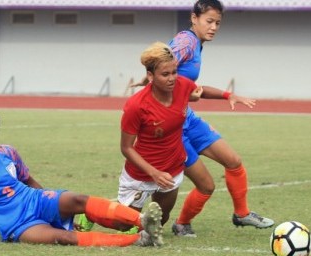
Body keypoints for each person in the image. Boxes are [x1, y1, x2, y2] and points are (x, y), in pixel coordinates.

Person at [0, 108, 164, 247]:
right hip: (17, 225)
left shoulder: (7, 152)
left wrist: (46, 199)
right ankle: (140, 239)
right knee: (63, 238)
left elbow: (28, 180)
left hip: (36, 200)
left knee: (78, 199)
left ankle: (142, 221)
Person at [79, 41, 215, 233]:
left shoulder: (182, 85)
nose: (172, 79)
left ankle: (140, 226)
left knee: (159, 221)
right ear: (150, 76)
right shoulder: (136, 105)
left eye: (174, 72)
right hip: (141, 174)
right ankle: (90, 213)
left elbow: (196, 93)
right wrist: (154, 173)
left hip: (172, 169)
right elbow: (126, 148)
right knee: (124, 224)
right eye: (165, 74)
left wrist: (227, 96)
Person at [168, 0, 274, 237]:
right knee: (206, 186)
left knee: (233, 161)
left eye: (218, 22)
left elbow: (192, 87)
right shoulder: (186, 42)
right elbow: (162, 71)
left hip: (188, 119)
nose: (214, 27)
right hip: (172, 127)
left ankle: (242, 214)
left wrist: (228, 95)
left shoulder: (196, 44)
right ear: (194, 18)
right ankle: (181, 223)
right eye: (209, 21)